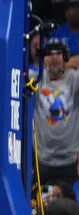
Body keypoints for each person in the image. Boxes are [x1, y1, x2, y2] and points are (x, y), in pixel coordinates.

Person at [35, 41, 79, 185]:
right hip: (42, 160)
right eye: (49, 54)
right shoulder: (34, 80)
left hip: (71, 160)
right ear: (43, 58)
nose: (54, 58)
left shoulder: (75, 79)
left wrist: (71, 63)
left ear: (65, 56)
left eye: (58, 53)